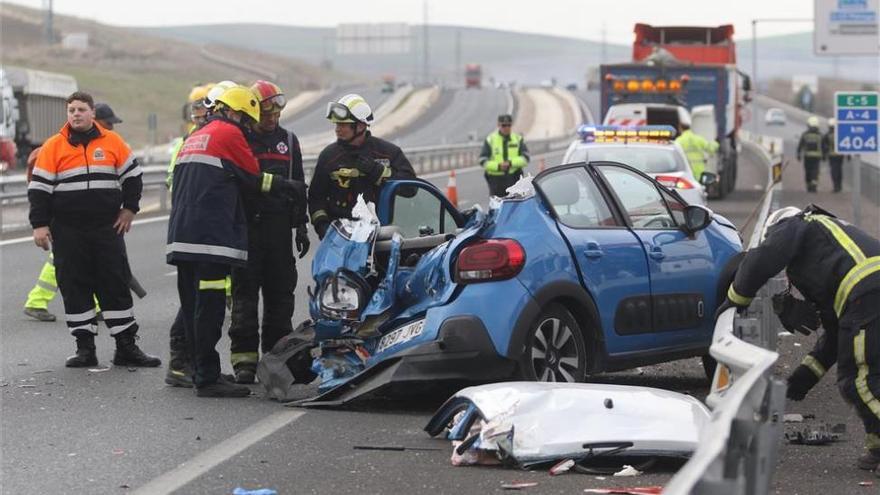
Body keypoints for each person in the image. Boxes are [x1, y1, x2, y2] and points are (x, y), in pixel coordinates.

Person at [718, 205, 880, 474]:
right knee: (872, 374)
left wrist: (735, 298)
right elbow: (836, 335)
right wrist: (801, 380)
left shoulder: (796, 223)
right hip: (867, 295)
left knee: (858, 380)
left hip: (869, 293)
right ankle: (877, 448)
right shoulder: (827, 248)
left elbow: (763, 259)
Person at [167, 85, 306, 398]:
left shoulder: (196, 135)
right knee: (210, 308)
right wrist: (287, 186)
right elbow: (254, 178)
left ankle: (197, 369)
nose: (247, 127)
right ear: (234, 112)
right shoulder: (229, 135)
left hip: (182, 236)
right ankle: (207, 377)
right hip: (210, 239)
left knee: (192, 307)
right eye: (245, 119)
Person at [27, 91, 160, 368]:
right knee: (75, 286)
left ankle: (126, 347)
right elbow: (39, 190)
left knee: (114, 284)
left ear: (92, 114)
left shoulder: (113, 142)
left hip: (105, 229)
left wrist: (130, 209)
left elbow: (133, 178)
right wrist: (39, 225)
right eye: (72, 110)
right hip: (68, 231)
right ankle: (84, 348)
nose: (76, 114)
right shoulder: (53, 147)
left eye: (81, 110)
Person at [227, 80, 309, 384]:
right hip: (248, 228)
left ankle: (277, 358)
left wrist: (301, 225)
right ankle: (244, 362)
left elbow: (298, 183)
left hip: (278, 231)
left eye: (276, 114)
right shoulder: (240, 140)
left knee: (280, 297)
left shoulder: (289, 140)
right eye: (265, 114)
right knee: (245, 297)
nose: (271, 119)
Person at [164, 83, 216, 388]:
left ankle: (194, 363)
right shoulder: (189, 141)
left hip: (203, 228)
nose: (197, 114)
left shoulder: (203, 139)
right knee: (195, 302)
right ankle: (181, 361)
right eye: (194, 108)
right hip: (197, 228)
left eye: (202, 108)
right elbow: (178, 183)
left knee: (205, 302)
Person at [308, 93, 416, 239]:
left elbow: (411, 188)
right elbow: (316, 198)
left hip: (380, 238)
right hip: (339, 238)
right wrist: (322, 226)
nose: (337, 129)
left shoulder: (388, 153)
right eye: (336, 124)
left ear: (360, 125)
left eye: (343, 124)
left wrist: (378, 172)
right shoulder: (329, 157)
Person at [479, 114, 530, 197]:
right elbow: (483, 160)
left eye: (509, 125)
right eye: (504, 125)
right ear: (498, 125)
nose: (506, 128)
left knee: (516, 205)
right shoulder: (491, 140)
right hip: (496, 180)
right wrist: (498, 166)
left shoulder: (517, 139)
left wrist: (510, 163)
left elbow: (526, 158)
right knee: (498, 207)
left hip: (514, 178)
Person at [797, 116, 823, 193]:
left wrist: (798, 154)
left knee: (808, 170)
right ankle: (814, 184)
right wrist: (824, 155)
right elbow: (824, 146)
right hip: (817, 156)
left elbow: (800, 145)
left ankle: (809, 184)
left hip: (807, 156)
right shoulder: (820, 135)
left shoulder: (805, 134)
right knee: (815, 170)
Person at [823, 118, 849, 193]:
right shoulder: (841, 134)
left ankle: (836, 186)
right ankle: (839, 186)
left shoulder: (827, 135)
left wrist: (824, 155)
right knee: (839, 170)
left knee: (834, 171)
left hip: (832, 156)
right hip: (840, 155)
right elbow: (846, 144)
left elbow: (824, 146)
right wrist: (848, 154)